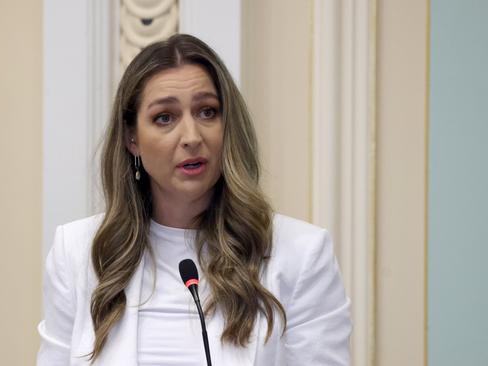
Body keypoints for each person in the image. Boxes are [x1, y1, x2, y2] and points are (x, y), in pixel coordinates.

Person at [37, 34, 351, 366]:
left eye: (207, 112)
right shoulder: (77, 253)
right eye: (164, 118)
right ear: (132, 139)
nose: (191, 137)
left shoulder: (300, 256)